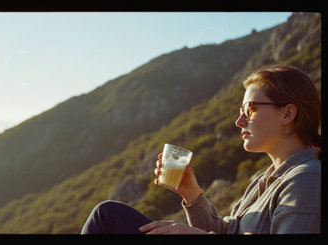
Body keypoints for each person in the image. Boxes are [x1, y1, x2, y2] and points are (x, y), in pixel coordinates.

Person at [80, 65, 321, 234]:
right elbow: (228, 231)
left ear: (288, 113)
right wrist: (192, 194)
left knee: (108, 217)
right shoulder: (266, 179)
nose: (239, 122)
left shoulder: (306, 180)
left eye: (250, 110)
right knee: (109, 214)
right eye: (240, 112)